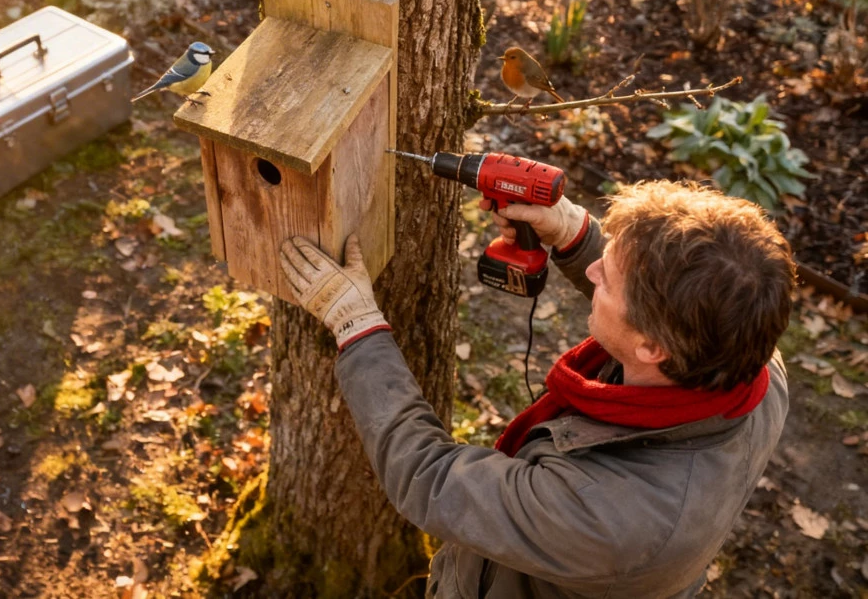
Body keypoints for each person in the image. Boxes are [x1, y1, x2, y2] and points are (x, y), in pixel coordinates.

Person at [278, 180, 795, 599]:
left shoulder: (605, 516)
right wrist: (571, 231)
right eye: (605, 254)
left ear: (652, 347)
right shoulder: (750, 361)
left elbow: (429, 476)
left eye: (607, 278)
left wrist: (358, 326)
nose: (592, 270)